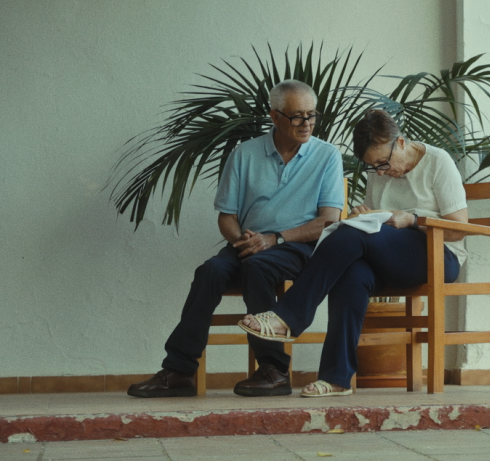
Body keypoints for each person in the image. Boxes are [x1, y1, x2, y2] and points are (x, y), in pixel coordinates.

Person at [128, 80, 345, 398]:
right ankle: (179, 371)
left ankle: (274, 370)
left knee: (259, 267)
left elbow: (329, 220)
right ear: (275, 116)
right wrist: (243, 241)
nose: (306, 123)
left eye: (311, 115)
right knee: (210, 271)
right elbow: (227, 217)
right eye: (297, 116)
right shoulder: (245, 154)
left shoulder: (327, 156)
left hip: (297, 245)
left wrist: (275, 239)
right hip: (250, 243)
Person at [238, 109, 467, 397]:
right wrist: (363, 213)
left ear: (400, 142)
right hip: (390, 255)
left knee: (351, 233)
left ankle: (289, 317)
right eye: (372, 167)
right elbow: (374, 219)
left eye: (383, 163)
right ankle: (336, 378)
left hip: (437, 255)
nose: (380, 172)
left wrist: (413, 219)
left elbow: (459, 228)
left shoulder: (437, 161)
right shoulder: (378, 169)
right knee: (353, 273)